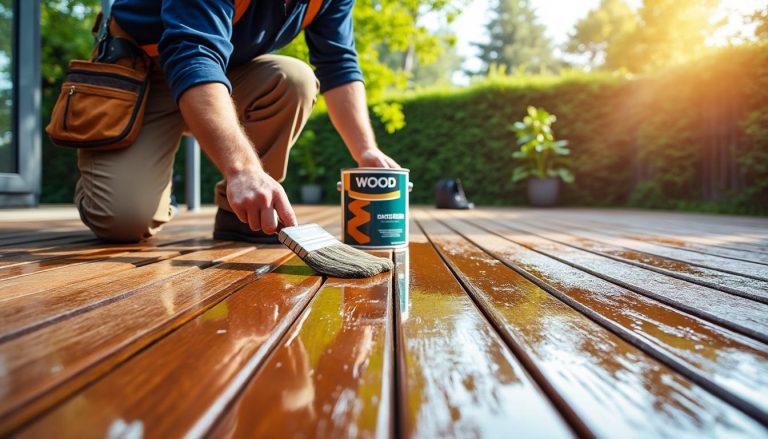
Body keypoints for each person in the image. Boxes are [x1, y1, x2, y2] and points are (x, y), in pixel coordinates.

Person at [75, 0, 400, 243]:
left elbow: (339, 63)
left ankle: (241, 217)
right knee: (122, 222)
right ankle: (111, 177)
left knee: (292, 79)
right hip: (140, 73)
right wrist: (242, 170)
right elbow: (193, 54)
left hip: (223, 75)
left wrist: (366, 150)